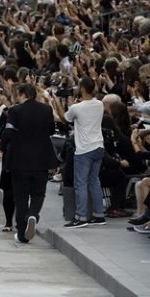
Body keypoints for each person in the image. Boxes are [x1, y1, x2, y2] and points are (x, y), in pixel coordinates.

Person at [0, 83, 59, 243]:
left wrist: (1, 148)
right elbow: (52, 130)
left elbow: (9, 131)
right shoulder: (46, 110)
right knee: (38, 193)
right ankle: (33, 214)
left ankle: (22, 232)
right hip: (41, 159)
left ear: (23, 94)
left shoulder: (15, 110)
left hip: (20, 160)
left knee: (21, 196)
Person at [58, 76, 106, 228]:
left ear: (83, 89)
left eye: (79, 86)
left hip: (84, 150)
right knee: (94, 181)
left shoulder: (76, 108)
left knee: (81, 184)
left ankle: (81, 217)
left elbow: (64, 118)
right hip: (99, 147)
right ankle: (99, 215)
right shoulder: (100, 104)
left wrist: (57, 102)